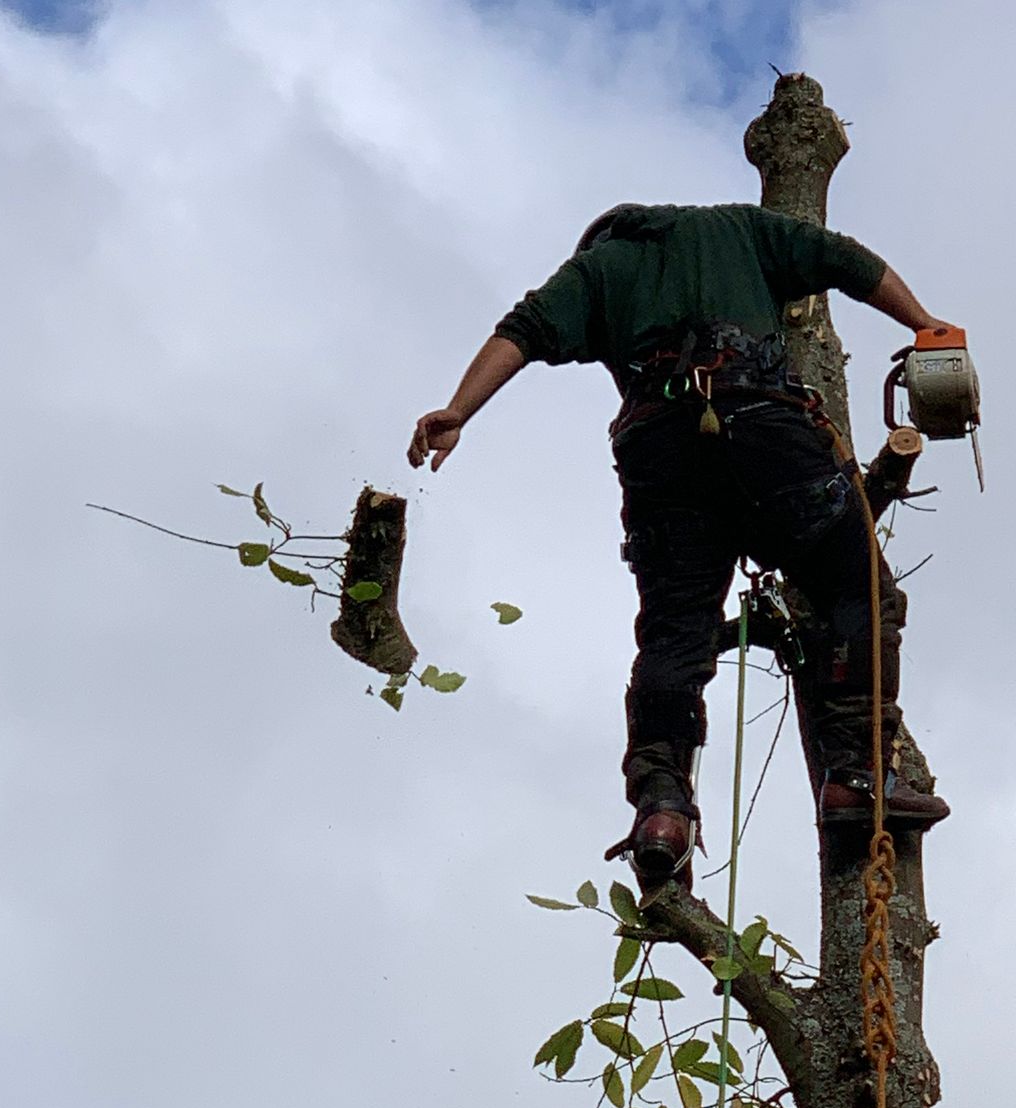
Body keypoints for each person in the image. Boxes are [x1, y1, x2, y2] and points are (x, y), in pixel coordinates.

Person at [407, 201, 957, 890]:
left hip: (661, 450)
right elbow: (850, 261)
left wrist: (458, 410)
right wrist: (925, 325)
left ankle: (662, 810)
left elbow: (520, 332)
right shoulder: (745, 229)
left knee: (675, 634)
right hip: (763, 424)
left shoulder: (597, 269)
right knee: (855, 587)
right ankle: (856, 775)